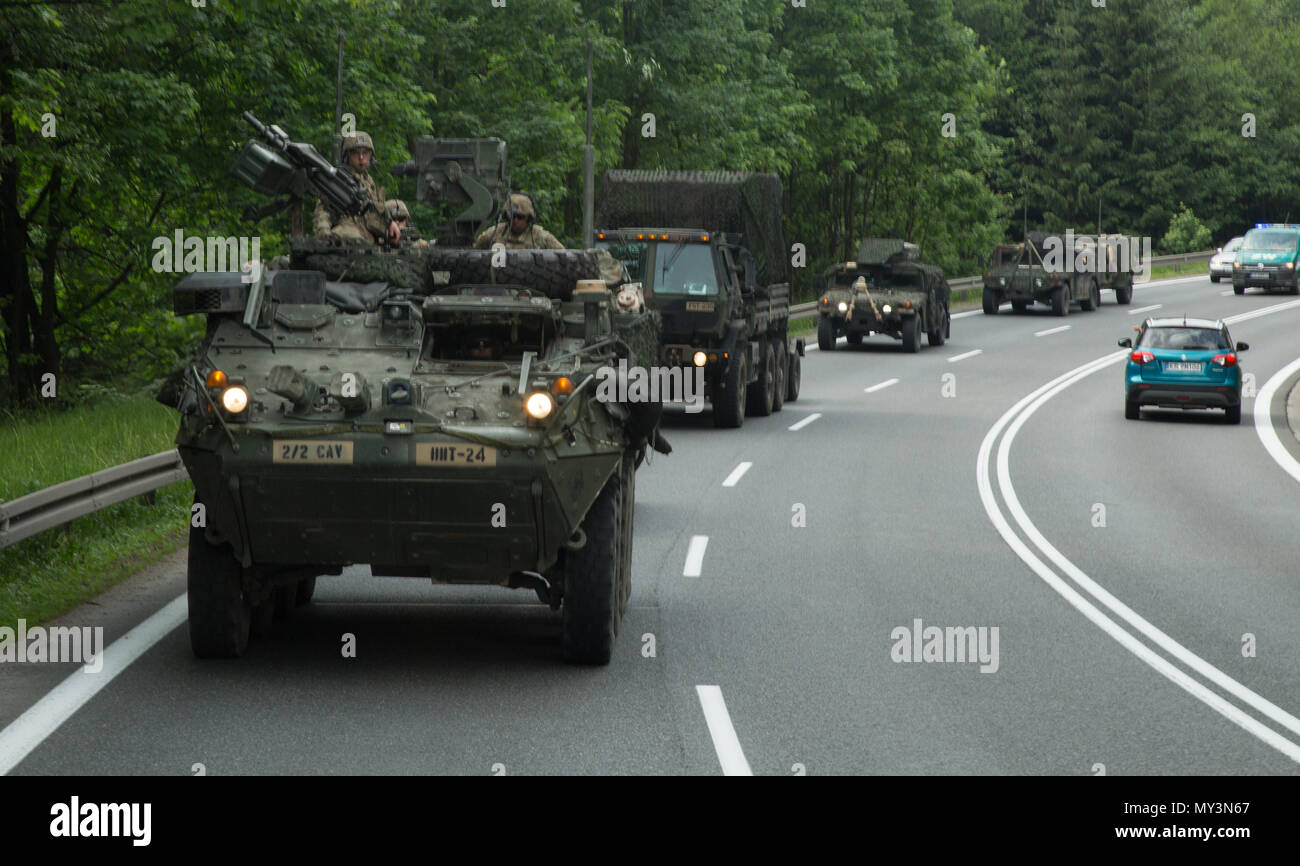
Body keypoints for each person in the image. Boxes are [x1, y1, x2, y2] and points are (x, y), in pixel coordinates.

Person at [313, 131, 400, 244]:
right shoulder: (340, 180)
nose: (361, 157)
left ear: (371, 156)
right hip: (347, 235)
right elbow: (323, 211)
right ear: (347, 156)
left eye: (365, 152)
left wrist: (389, 223)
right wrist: (325, 237)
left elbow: (373, 210)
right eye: (355, 153)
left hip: (367, 237)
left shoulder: (368, 181)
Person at [473, 192, 564, 250]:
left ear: (529, 218)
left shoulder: (540, 236)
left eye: (520, 217)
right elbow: (475, 253)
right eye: (511, 216)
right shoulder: (494, 233)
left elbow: (563, 256)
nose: (515, 220)